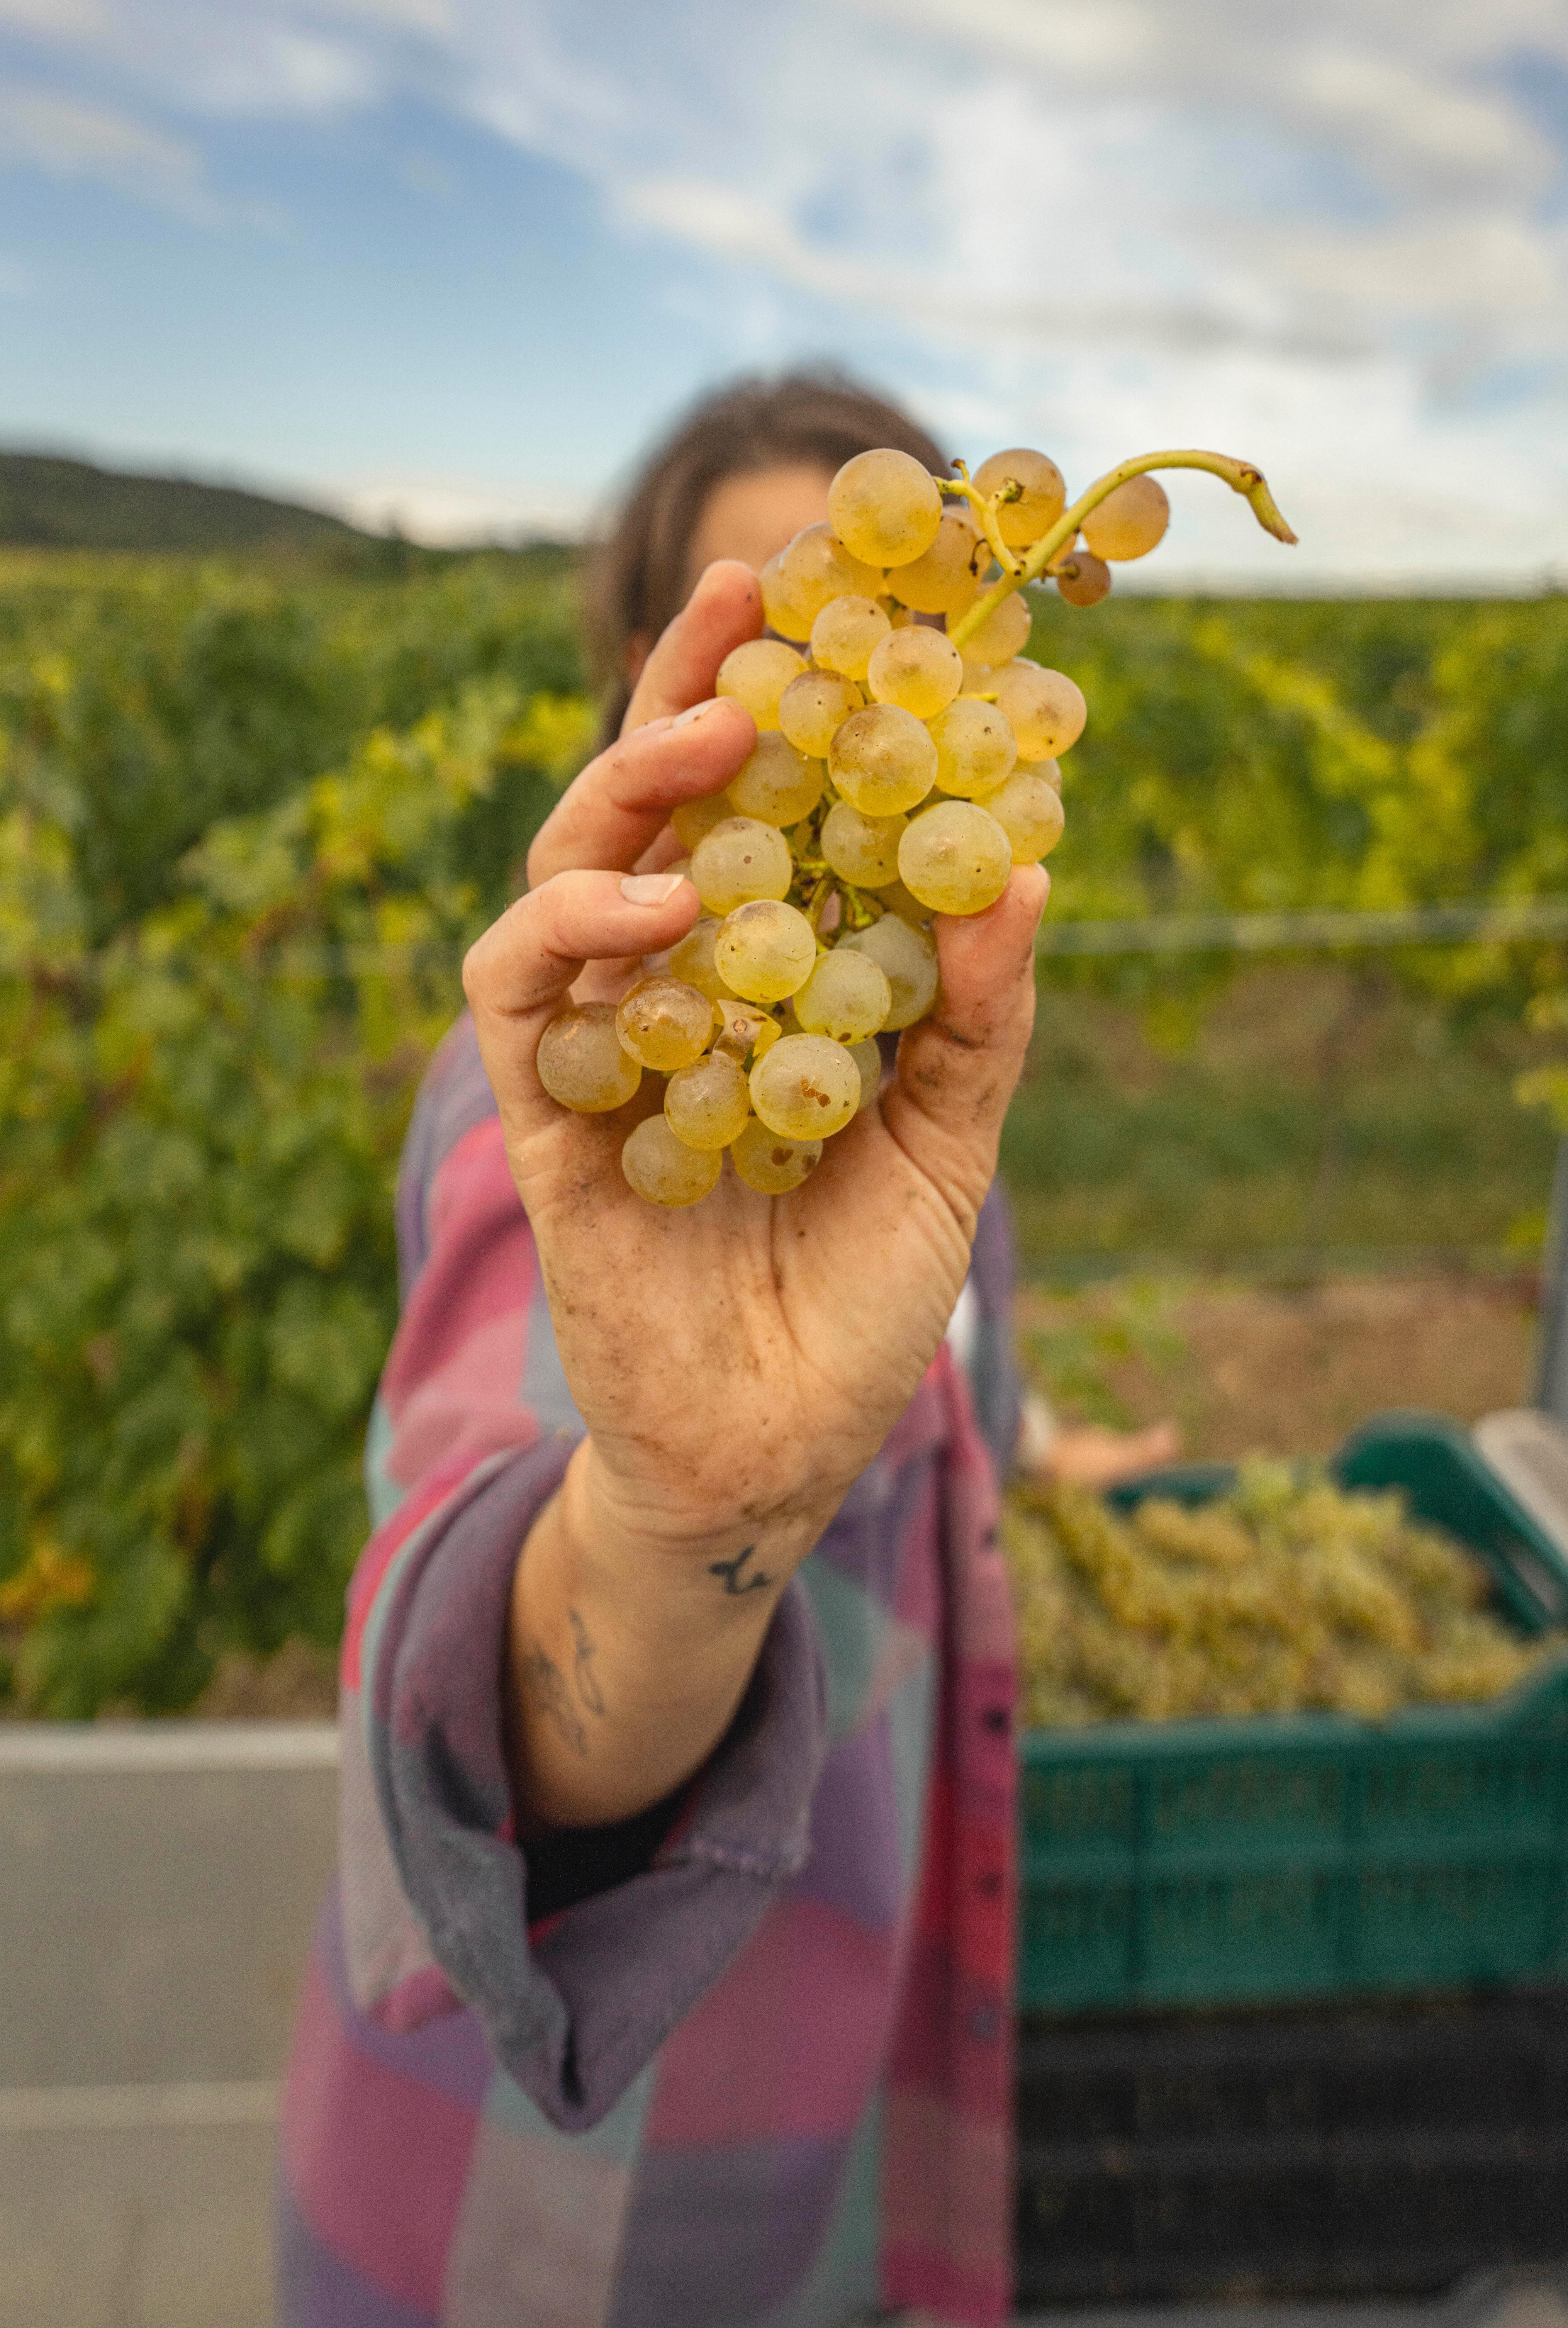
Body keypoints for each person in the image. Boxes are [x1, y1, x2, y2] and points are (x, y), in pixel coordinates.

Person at [278, 370, 1177, 2328]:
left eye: (887, 626)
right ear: (648, 667)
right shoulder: (590, 1101)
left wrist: (1021, 1442)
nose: (845, 691)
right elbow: (490, 1600)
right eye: (778, 623)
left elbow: (914, 1375)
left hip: (818, 2172)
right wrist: (676, 1516)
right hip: (542, 2244)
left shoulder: (891, 1075)